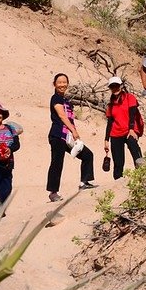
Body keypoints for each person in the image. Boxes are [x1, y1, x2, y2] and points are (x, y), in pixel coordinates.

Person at [46, 72, 95, 202]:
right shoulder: (55, 98)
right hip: (57, 135)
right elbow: (62, 116)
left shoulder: (66, 100)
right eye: (59, 82)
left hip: (67, 136)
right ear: (54, 84)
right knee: (57, 162)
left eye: (64, 82)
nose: (62, 84)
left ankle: (84, 182)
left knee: (87, 155)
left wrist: (74, 134)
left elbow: (70, 118)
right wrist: (73, 131)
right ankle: (53, 192)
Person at [103, 76, 144, 179]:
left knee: (135, 150)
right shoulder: (110, 105)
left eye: (116, 86)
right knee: (118, 162)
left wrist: (131, 129)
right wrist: (106, 139)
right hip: (116, 133)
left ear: (121, 86)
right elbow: (110, 122)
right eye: (112, 86)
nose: (115, 88)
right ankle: (118, 181)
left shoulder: (129, 97)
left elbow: (133, 113)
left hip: (129, 130)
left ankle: (143, 174)